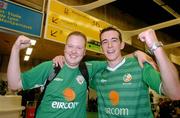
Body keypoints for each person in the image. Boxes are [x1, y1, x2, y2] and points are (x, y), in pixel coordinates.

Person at [7, 30, 156, 118]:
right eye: (70, 46)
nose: (73, 51)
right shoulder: (51, 67)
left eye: (79, 48)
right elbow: (14, 84)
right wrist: (15, 50)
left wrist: (136, 53)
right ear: (64, 48)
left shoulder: (88, 68)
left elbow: (114, 58)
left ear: (84, 52)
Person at [53, 27, 180, 118]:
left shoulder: (140, 65)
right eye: (104, 42)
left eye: (114, 40)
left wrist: (155, 46)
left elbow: (175, 93)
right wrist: (62, 59)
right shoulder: (97, 74)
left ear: (122, 44)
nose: (109, 45)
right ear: (101, 47)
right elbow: (74, 70)